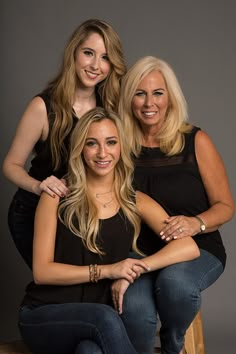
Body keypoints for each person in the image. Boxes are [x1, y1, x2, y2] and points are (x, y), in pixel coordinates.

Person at [18, 107, 200, 354]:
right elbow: (42, 272)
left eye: (111, 142)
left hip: (95, 323)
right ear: (81, 149)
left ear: (121, 147)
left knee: (89, 352)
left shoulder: (134, 200)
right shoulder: (57, 196)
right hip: (44, 314)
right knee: (103, 317)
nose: (103, 152)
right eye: (92, 143)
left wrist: (135, 268)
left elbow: (188, 246)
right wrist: (108, 271)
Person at [114, 56, 235, 354]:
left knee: (175, 286)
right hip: (138, 252)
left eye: (157, 93)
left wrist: (197, 223)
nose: (148, 103)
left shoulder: (196, 140)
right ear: (128, 99)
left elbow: (225, 206)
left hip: (195, 248)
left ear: (170, 96)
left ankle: (172, 345)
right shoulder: (117, 145)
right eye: (139, 94)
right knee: (136, 316)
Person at [2, 18, 126, 268]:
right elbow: (11, 165)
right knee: (58, 288)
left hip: (80, 216)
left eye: (104, 57)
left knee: (86, 289)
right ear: (74, 54)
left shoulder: (110, 106)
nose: (95, 65)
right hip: (35, 211)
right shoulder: (42, 107)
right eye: (88, 53)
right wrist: (39, 186)